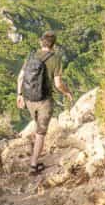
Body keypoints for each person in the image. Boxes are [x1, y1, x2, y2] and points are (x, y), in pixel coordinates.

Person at [17, 31, 74, 175]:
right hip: (44, 101)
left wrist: (19, 95)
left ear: (40, 42)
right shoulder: (55, 59)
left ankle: (35, 153)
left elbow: (21, 77)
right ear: (54, 45)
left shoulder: (31, 56)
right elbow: (58, 83)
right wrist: (67, 92)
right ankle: (33, 165)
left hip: (29, 99)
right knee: (41, 133)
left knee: (38, 126)